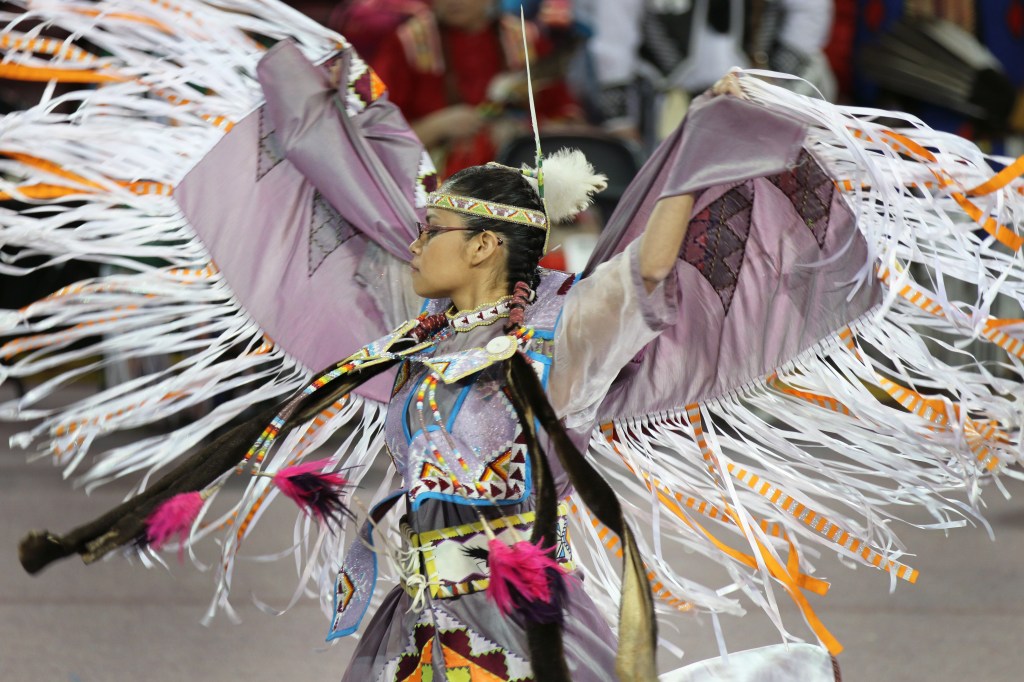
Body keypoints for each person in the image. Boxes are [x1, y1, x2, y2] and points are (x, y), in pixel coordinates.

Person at [6, 2, 1023, 681]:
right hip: (418, 613)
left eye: (439, 229)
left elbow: (651, 265)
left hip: (516, 614)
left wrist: (713, 142)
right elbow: (262, 427)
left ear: (487, 248)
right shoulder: (408, 337)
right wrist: (109, 526)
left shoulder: (562, 338)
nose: (421, 239)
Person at [369, 0, 582, 178]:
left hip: (524, 178)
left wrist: (523, 131)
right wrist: (436, 126)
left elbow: (565, 119)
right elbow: (376, 136)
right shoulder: (407, 43)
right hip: (433, 183)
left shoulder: (525, 39)